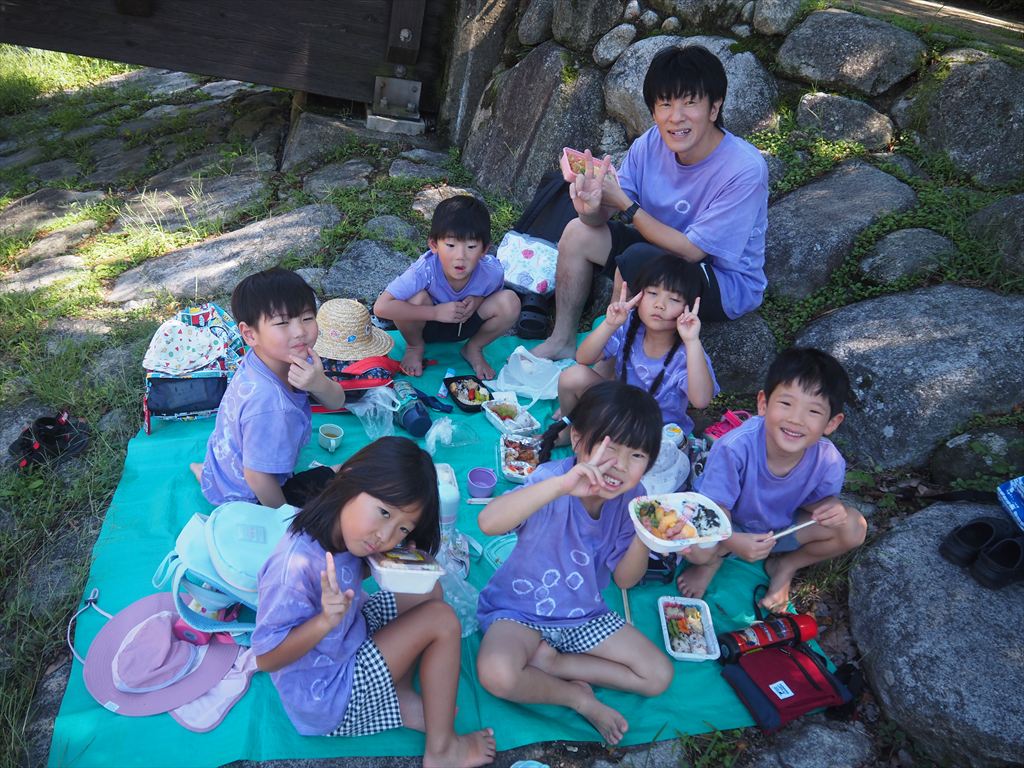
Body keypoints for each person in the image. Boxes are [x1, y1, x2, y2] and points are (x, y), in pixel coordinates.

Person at [252, 437, 496, 768]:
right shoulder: (294, 569)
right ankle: (442, 751)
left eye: (402, 529)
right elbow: (266, 659)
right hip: (326, 695)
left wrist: (398, 559)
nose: (385, 535)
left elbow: (361, 568)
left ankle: (397, 693)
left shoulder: (343, 532)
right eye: (383, 512)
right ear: (350, 477)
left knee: (427, 592)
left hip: (345, 634)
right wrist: (324, 621)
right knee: (441, 620)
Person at [532, 45, 769, 361]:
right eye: (665, 103)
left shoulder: (744, 169)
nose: (676, 117)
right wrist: (590, 208)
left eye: (690, 103)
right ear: (653, 111)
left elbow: (692, 251)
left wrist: (627, 206)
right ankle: (562, 339)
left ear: (714, 108)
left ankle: (611, 360)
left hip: (722, 281)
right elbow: (608, 209)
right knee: (578, 232)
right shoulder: (651, 143)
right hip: (657, 253)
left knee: (636, 259)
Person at [475, 381, 674, 746]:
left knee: (658, 676)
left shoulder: (635, 499)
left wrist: (647, 537)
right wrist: (562, 486)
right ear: (579, 441)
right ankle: (576, 698)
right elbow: (488, 523)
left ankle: (554, 665)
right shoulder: (552, 480)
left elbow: (625, 580)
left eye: (637, 455)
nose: (620, 466)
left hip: (584, 613)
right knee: (497, 673)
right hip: (520, 610)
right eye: (610, 448)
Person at [677, 347, 867, 611]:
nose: (796, 419)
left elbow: (815, 503)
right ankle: (713, 561)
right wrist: (732, 541)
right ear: (764, 404)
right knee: (697, 550)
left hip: (779, 530)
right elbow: (713, 509)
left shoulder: (829, 460)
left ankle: (785, 565)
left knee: (853, 526)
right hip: (729, 524)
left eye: (813, 411)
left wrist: (830, 507)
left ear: (831, 423)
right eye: (786, 404)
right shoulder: (734, 447)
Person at [190, 267, 347, 508]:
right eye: (282, 322)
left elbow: (336, 401)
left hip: (225, 464)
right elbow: (257, 477)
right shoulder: (270, 405)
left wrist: (319, 383)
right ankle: (219, 487)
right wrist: (282, 519)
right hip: (250, 495)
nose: (300, 332)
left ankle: (207, 474)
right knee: (342, 481)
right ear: (249, 334)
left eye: (307, 318)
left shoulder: (272, 355)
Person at [557, 253, 718, 434]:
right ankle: (567, 432)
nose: (660, 304)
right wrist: (610, 324)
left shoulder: (689, 351)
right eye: (652, 293)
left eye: (674, 299)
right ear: (639, 295)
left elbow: (701, 400)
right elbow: (583, 358)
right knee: (572, 376)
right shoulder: (629, 324)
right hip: (618, 410)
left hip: (656, 432)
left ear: (690, 308)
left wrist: (692, 341)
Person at [373, 195, 520, 380]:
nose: (460, 256)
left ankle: (473, 348)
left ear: (484, 250)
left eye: (471, 247)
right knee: (415, 298)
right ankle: (414, 346)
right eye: (450, 245)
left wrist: (478, 300)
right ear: (434, 245)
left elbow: (495, 297)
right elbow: (381, 307)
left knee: (510, 301)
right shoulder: (424, 270)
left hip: (465, 325)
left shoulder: (492, 272)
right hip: (426, 326)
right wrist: (435, 313)